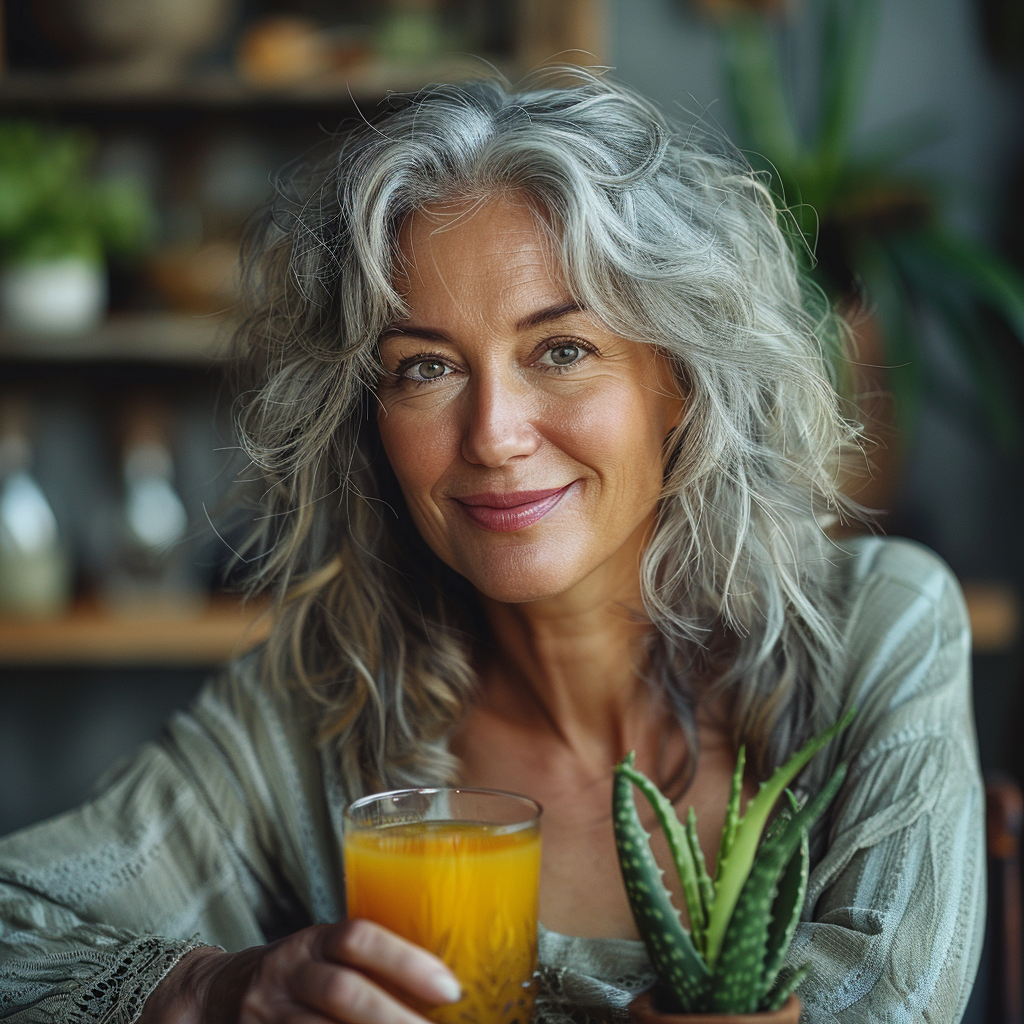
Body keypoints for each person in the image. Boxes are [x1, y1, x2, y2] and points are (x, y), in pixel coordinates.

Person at [0, 71, 983, 1024]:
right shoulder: (320, 710)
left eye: (559, 349)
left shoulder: (873, 629)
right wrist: (207, 993)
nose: (493, 435)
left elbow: (883, 1003)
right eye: (423, 367)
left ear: (677, 381)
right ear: (369, 421)